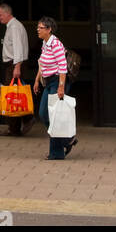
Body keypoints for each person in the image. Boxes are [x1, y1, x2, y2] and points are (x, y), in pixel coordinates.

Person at [33, 15, 77, 160]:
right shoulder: (45, 43)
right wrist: (37, 81)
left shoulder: (56, 44)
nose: (37, 30)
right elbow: (42, 62)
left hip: (57, 81)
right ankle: (67, 140)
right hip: (48, 81)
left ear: (49, 29)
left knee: (54, 116)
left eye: (41, 28)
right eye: (37, 27)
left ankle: (57, 152)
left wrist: (61, 87)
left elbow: (62, 67)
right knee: (44, 114)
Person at [0, 3, 34, 136]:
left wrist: (17, 66)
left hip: (14, 65)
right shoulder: (12, 26)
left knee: (12, 95)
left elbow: (18, 47)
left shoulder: (14, 27)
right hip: (13, 64)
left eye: (0, 15)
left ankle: (27, 119)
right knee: (14, 95)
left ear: (8, 14)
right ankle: (14, 128)